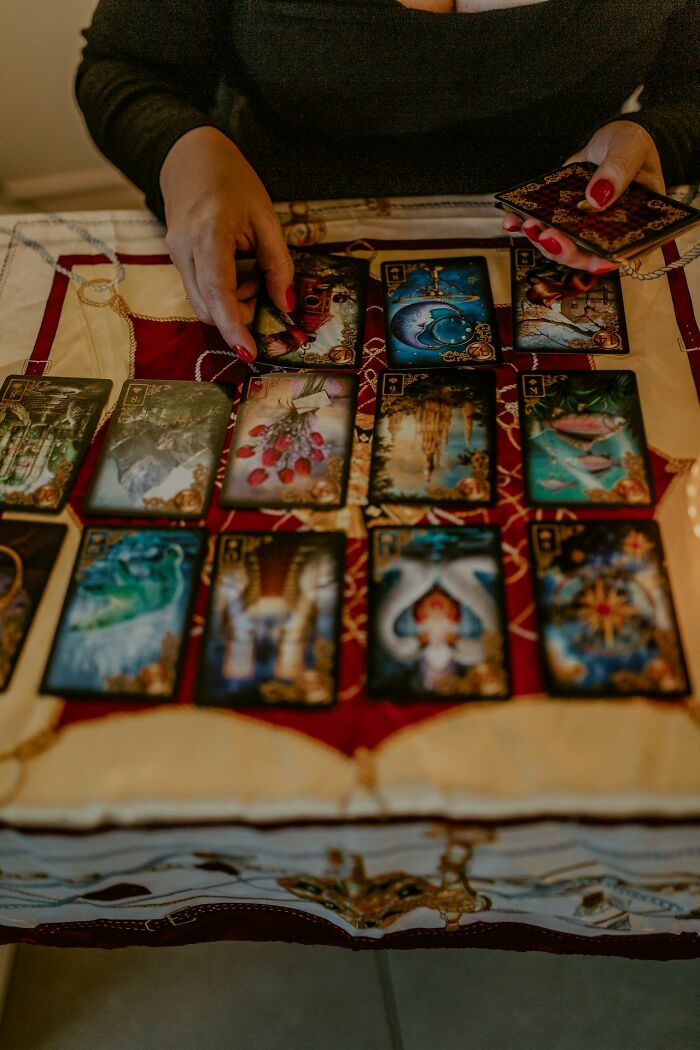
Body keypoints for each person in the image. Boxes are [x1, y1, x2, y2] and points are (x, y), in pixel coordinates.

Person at [75, 0, 700, 361]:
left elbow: (690, 87)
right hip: (263, 221)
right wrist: (186, 152)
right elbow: (128, 67)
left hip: (560, 240)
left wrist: (660, 138)